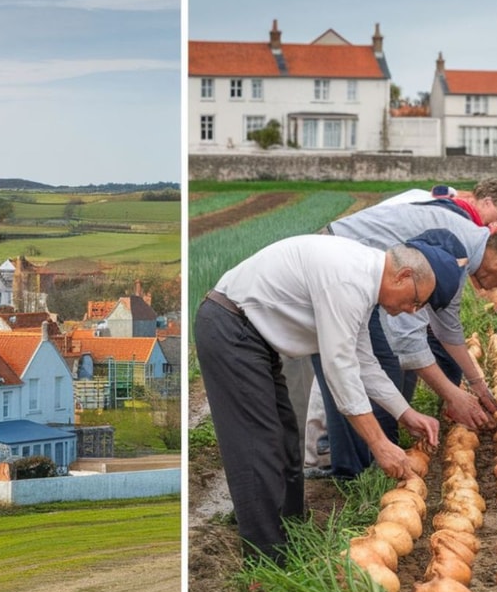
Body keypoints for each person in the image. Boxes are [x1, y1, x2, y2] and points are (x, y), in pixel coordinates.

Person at [194, 232, 462, 564]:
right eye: (415, 300)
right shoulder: (349, 280)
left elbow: (363, 362)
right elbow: (340, 369)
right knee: (257, 446)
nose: (410, 310)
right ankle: (265, 560)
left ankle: (291, 530)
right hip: (231, 329)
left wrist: (405, 412)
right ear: (403, 276)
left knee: (286, 437)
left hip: (252, 337)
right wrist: (378, 443)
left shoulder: (362, 282)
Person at [317, 200, 497, 480]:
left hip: (367, 274)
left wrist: (477, 386)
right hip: (336, 269)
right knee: (364, 365)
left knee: (387, 367)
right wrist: (453, 395)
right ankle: (358, 473)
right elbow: (408, 339)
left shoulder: (463, 251)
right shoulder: (452, 250)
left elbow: (447, 329)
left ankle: (380, 457)